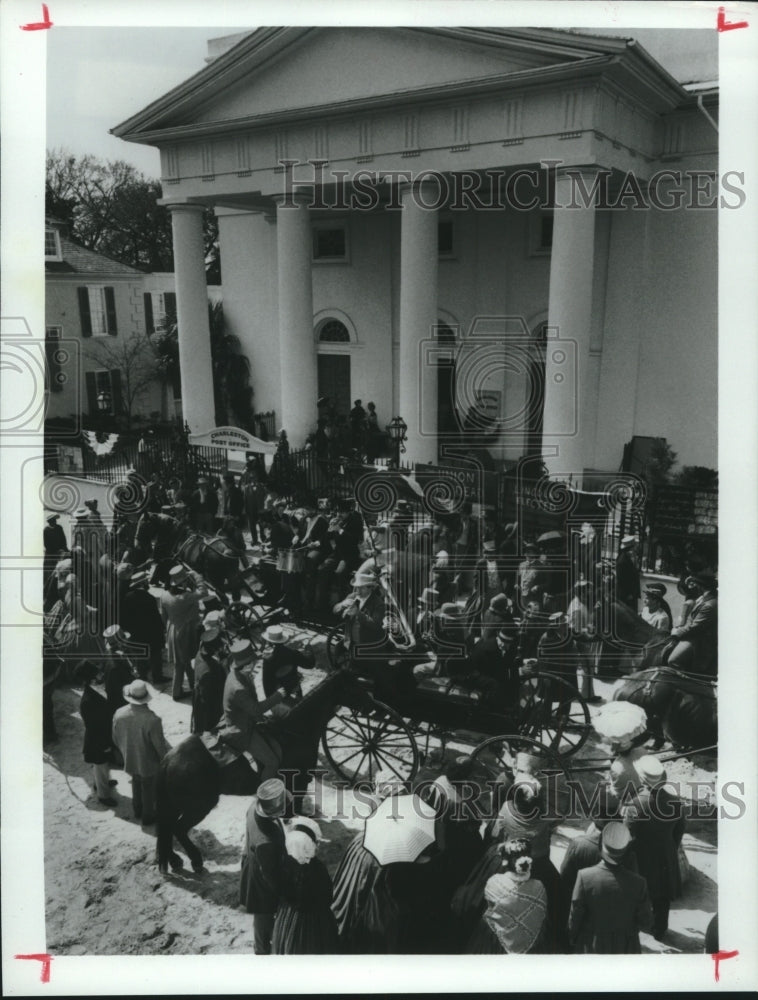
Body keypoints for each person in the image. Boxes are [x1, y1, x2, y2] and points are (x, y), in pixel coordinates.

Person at [623, 755, 685, 941]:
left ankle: (639, 923)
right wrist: (669, 847)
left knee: (640, 893)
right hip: (666, 855)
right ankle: (660, 929)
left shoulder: (635, 803)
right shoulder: (676, 801)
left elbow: (628, 835)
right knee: (662, 896)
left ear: (642, 779)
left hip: (642, 856)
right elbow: (679, 831)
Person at [568, 822, 653, 953]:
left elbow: (575, 917)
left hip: (593, 945)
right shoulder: (639, 883)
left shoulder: (584, 877)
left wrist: (573, 938)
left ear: (601, 845)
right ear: (625, 850)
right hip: (627, 947)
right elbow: (645, 922)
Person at [218, 638, 290, 782]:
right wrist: (278, 696)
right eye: (254, 662)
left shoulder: (236, 674)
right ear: (247, 665)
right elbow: (256, 710)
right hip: (241, 730)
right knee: (272, 762)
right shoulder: (238, 688)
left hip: (245, 719)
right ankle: (264, 795)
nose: (256, 663)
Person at [466, 838, 548, 954]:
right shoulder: (539, 886)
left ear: (505, 861)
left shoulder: (494, 882)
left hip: (495, 940)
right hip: (531, 941)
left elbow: (490, 908)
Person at [239, 777, 291, 955]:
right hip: (261, 884)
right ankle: (261, 952)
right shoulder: (265, 842)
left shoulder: (254, 806)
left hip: (252, 863)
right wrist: (281, 893)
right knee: (264, 916)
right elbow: (270, 876)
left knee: (262, 916)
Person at [272, 817, 339, 954]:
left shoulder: (283, 864)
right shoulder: (317, 869)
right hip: (315, 921)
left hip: (288, 916)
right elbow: (327, 896)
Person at [112, 679, 171, 827]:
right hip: (148, 761)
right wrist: (166, 761)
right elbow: (160, 747)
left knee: (136, 783)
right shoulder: (153, 720)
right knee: (149, 789)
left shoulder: (119, 713)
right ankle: (148, 817)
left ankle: (137, 810)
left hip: (129, 757)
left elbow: (114, 737)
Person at [75, 660, 119, 806]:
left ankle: (101, 783)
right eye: (97, 674)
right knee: (101, 765)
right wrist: (104, 744)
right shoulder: (88, 701)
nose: (101, 675)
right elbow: (94, 727)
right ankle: (103, 795)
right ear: (92, 679)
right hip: (98, 740)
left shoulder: (92, 692)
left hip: (100, 737)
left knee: (101, 765)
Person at [159, 565, 201, 701]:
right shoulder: (186, 597)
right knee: (181, 664)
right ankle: (176, 693)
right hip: (184, 633)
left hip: (172, 630)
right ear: (182, 582)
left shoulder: (164, 595)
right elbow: (204, 593)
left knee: (185, 662)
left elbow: (163, 616)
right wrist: (196, 576)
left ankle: (193, 686)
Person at [119, 571, 169, 685]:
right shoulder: (149, 598)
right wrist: (161, 630)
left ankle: (142, 677)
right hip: (151, 633)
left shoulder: (128, 597)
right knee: (156, 655)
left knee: (140, 656)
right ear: (143, 583)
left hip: (136, 633)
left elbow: (125, 617)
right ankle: (157, 677)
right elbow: (156, 617)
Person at [667, 572, 717, 675]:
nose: (693, 587)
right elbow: (690, 619)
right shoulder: (702, 598)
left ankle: (682, 686)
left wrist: (677, 632)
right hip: (692, 634)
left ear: (701, 586)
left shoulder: (710, 605)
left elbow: (695, 627)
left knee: (673, 661)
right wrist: (680, 628)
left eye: (695, 584)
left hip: (699, 640)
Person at [191, 626, 228, 734]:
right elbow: (209, 699)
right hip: (210, 705)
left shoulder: (200, 654)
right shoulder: (209, 670)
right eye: (220, 647)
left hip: (203, 696)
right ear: (215, 649)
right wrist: (224, 667)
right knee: (209, 729)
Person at [241, 460, 265, 546]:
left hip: (260, 509)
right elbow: (245, 500)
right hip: (250, 510)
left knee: (262, 525)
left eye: (255, 477)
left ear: (257, 478)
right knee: (252, 526)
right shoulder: (246, 488)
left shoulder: (261, 487)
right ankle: (254, 540)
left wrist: (263, 508)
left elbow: (265, 498)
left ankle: (263, 538)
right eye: (252, 478)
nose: (253, 479)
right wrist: (245, 510)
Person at [615, 535, 641, 613]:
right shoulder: (623, 561)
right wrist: (629, 594)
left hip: (631, 594)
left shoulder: (629, 558)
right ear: (631, 547)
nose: (637, 548)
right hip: (627, 596)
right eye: (635, 546)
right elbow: (622, 580)